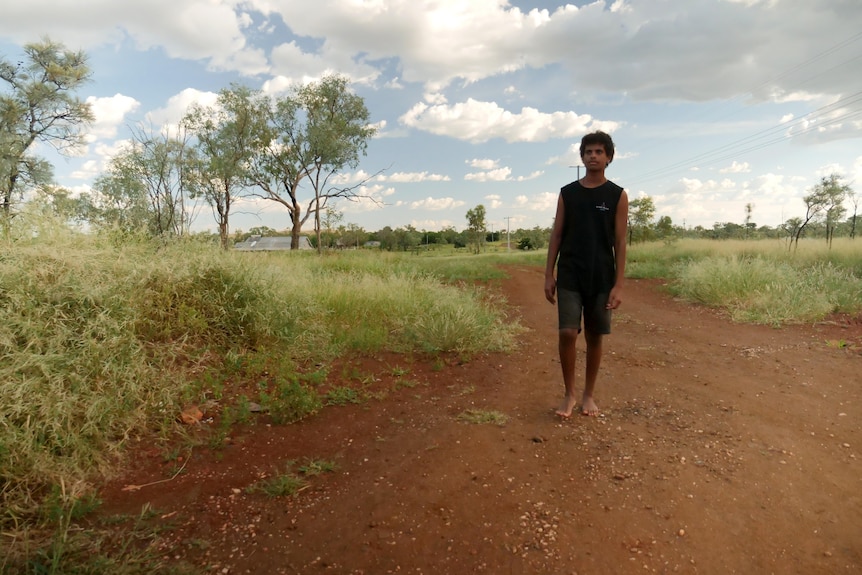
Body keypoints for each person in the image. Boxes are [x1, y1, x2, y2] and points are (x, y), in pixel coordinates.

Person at [544, 130, 628, 417]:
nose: (593, 156)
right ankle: (568, 393)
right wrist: (548, 274)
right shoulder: (568, 193)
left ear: (608, 157)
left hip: (602, 276)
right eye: (588, 152)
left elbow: (620, 241)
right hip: (570, 274)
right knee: (568, 332)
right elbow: (556, 235)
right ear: (582, 157)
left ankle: (588, 395)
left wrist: (619, 284)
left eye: (599, 152)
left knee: (595, 335)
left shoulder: (617, 195)